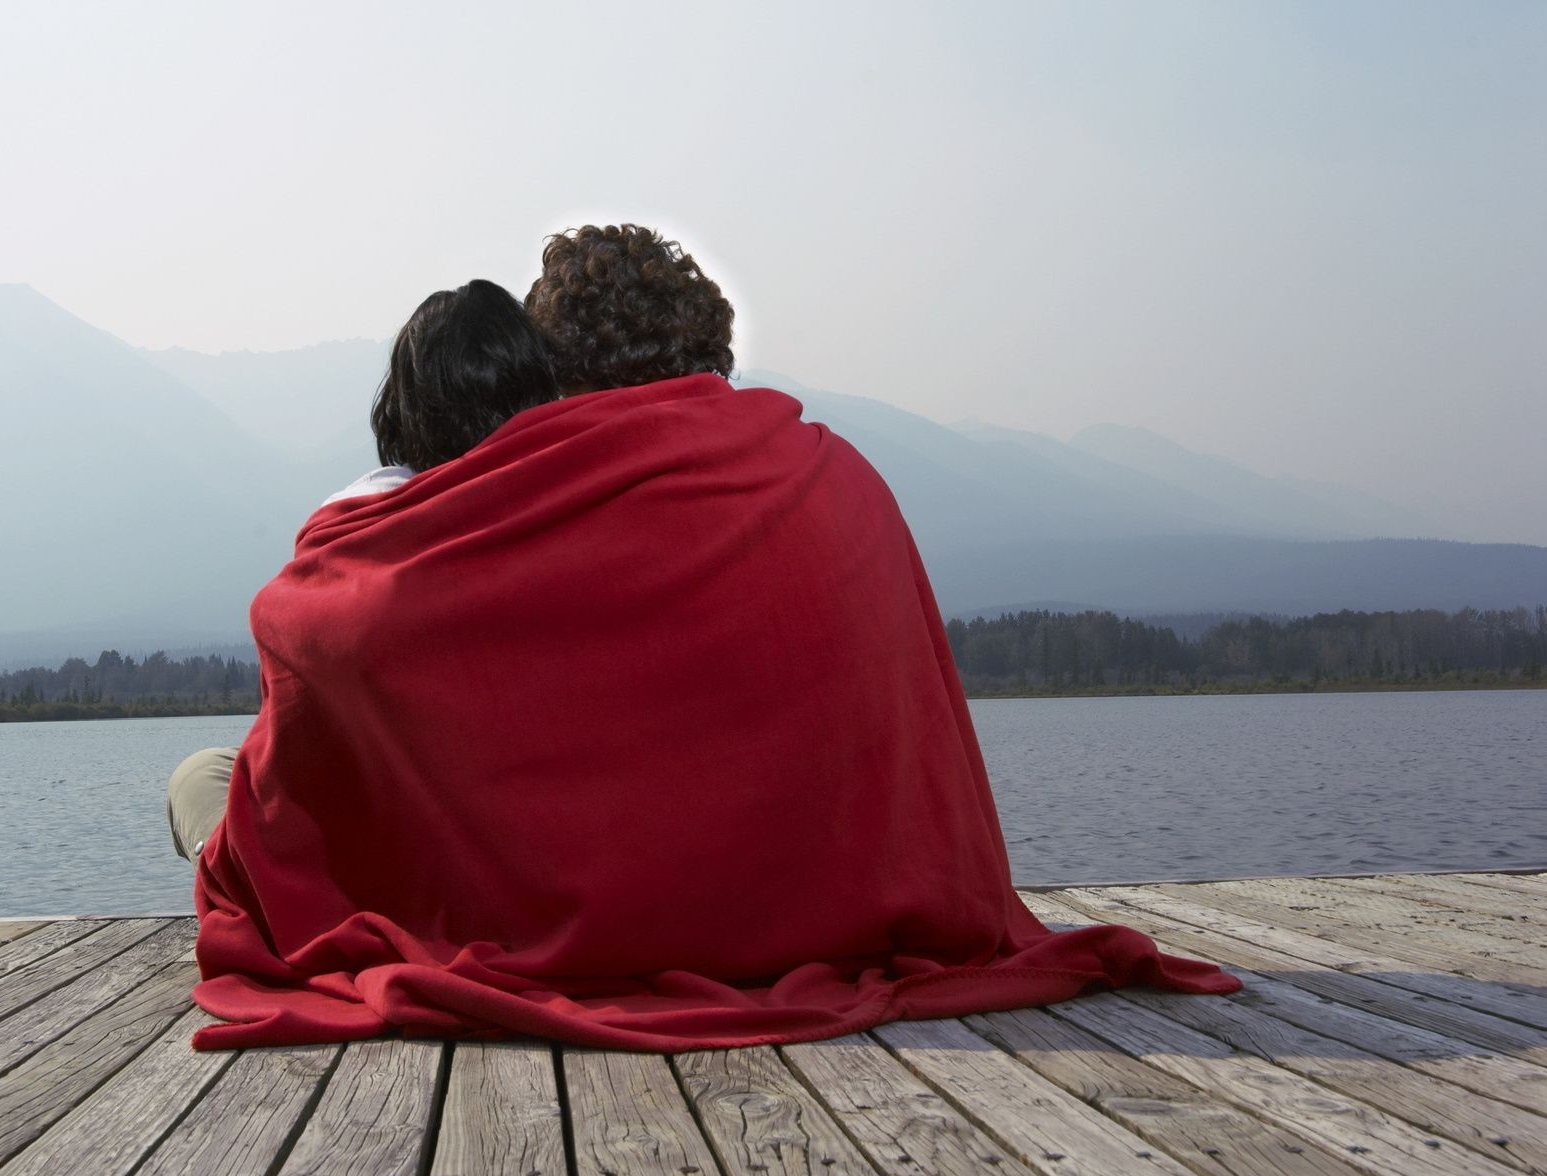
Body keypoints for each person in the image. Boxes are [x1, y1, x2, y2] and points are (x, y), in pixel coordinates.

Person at [182, 224, 1239, 1053]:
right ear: (714, 352)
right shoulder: (834, 473)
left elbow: (310, 620)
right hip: (848, 919)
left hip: (593, 918)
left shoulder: (529, 512)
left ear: (561, 376)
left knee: (221, 786)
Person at [166, 279, 559, 866]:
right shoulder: (568, 508)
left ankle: (234, 881)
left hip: (389, 849)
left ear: (403, 406)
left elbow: (291, 740)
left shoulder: (346, 536)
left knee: (200, 774)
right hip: (523, 832)